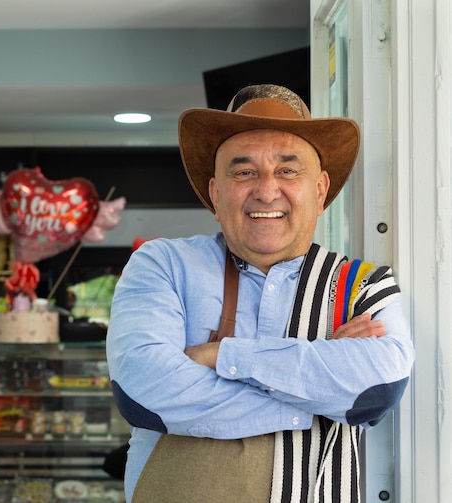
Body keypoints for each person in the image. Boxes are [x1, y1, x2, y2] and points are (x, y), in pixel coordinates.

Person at [106, 84, 415, 503]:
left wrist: (220, 356)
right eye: (244, 171)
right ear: (216, 193)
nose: (267, 190)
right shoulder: (163, 265)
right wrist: (320, 391)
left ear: (320, 191)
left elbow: (376, 391)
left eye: (288, 170)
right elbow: (143, 394)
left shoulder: (364, 285)